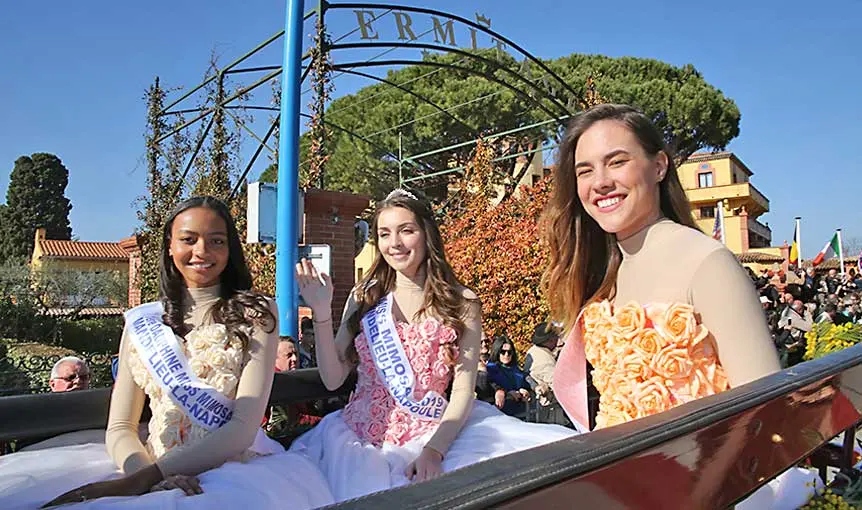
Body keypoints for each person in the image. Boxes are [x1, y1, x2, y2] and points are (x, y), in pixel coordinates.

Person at [543, 104, 814, 508]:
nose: (599, 182)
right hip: (619, 480)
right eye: (584, 171)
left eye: (617, 162)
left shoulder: (707, 262)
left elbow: (766, 410)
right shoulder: (604, 271)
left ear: (659, 167)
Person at [0, 196, 333, 509]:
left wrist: (149, 479)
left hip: (230, 468)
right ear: (170, 246)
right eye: (188, 240)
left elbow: (243, 426)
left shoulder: (257, 312)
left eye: (216, 241)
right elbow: (120, 427)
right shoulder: (143, 321)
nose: (202, 251)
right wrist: (143, 475)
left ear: (230, 249)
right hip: (147, 466)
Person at [289, 189, 575, 503]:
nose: (394, 243)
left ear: (427, 234)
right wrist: (320, 312)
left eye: (406, 231)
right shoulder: (365, 296)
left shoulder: (462, 303)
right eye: (384, 234)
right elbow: (333, 379)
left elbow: (463, 391)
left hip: (435, 434)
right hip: (358, 442)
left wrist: (434, 451)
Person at [485, 336, 531, 417]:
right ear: (497, 352)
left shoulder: (516, 370)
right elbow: (489, 387)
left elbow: (524, 383)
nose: (506, 355)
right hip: (498, 414)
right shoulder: (490, 369)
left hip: (519, 414)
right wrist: (507, 393)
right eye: (503, 352)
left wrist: (524, 391)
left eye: (509, 352)